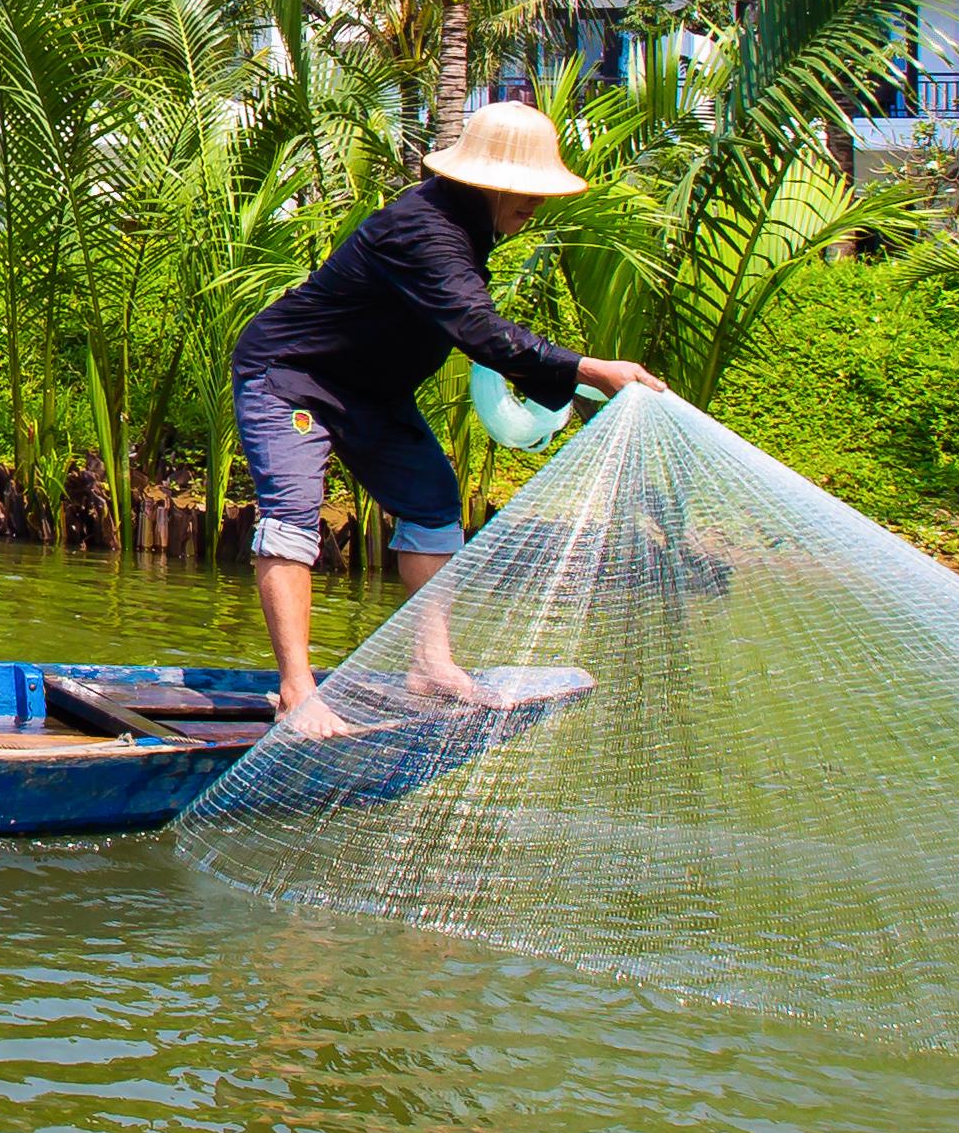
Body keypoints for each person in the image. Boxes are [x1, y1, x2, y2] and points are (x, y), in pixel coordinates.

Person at [230, 93, 661, 737]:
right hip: (292, 377)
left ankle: (431, 666)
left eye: (538, 191)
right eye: (522, 189)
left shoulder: (468, 231)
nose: (534, 203)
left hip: (370, 392)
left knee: (433, 503)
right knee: (293, 514)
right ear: (480, 181)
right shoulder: (422, 228)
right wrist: (586, 369)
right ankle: (297, 691)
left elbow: (471, 324)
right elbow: (476, 328)